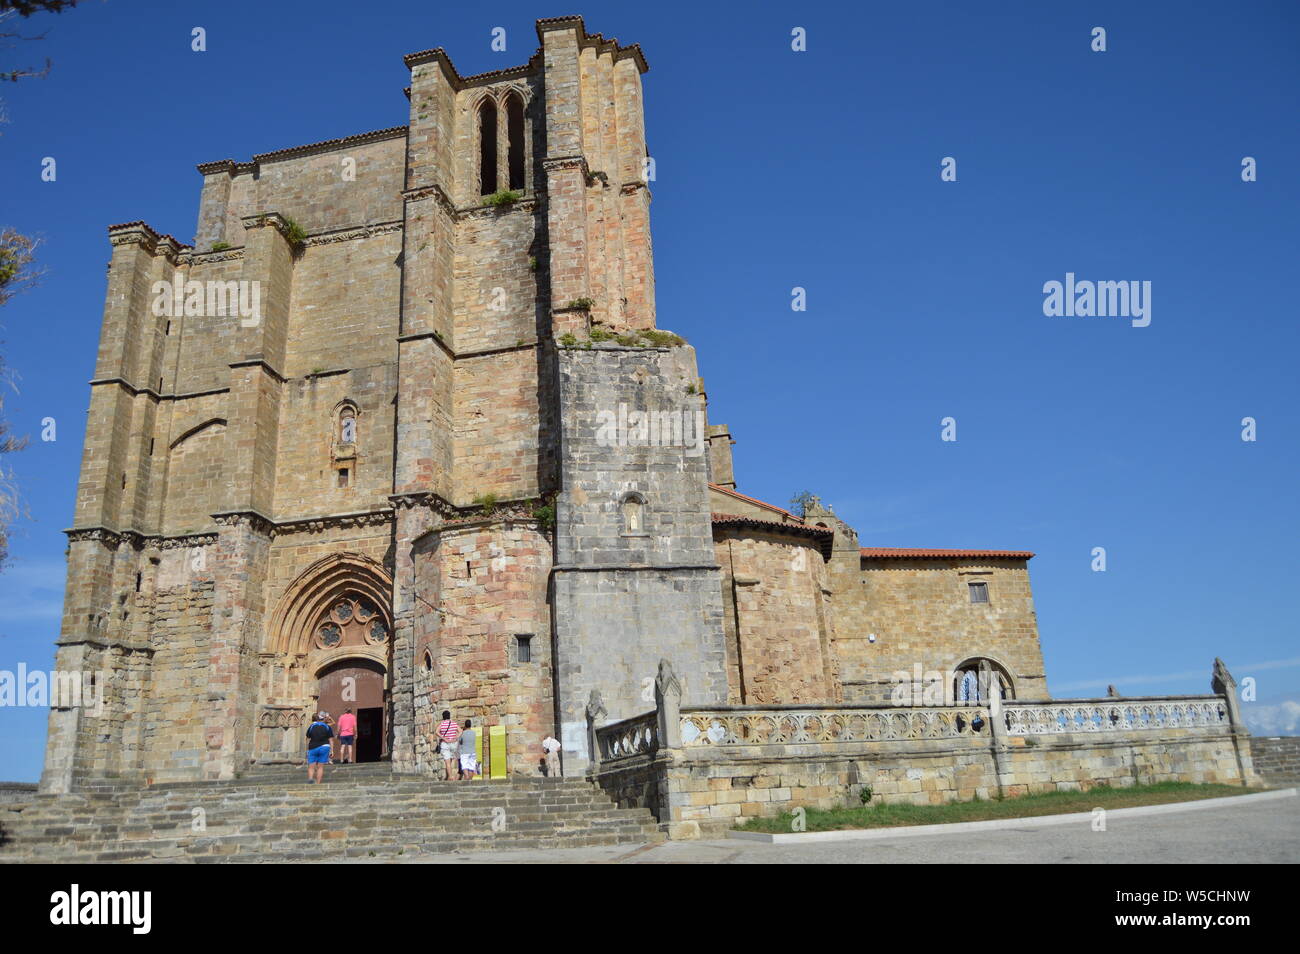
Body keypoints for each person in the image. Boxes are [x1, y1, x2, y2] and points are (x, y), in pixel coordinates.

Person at [305, 712, 334, 783]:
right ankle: (318, 783)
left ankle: (311, 779)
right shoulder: (327, 727)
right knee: (320, 767)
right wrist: (332, 750)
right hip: (324, 747)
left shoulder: (311, 726)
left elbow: (307, 739)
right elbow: (331, 740)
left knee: (311, 766)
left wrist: (307, 750)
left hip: (313, 747)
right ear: (324, 719)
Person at [435, 710, 460, 780]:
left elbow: (436, 732)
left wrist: (444, 738)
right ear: (449, 716)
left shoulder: (442, 724)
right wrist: (455, 737)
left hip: (445, 744)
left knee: (447, 762)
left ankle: (450, 776)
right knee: (450, 761)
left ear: (443, 717)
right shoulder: (454, 724)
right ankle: (448, 776)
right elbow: (460, 731)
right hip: (453, 744)